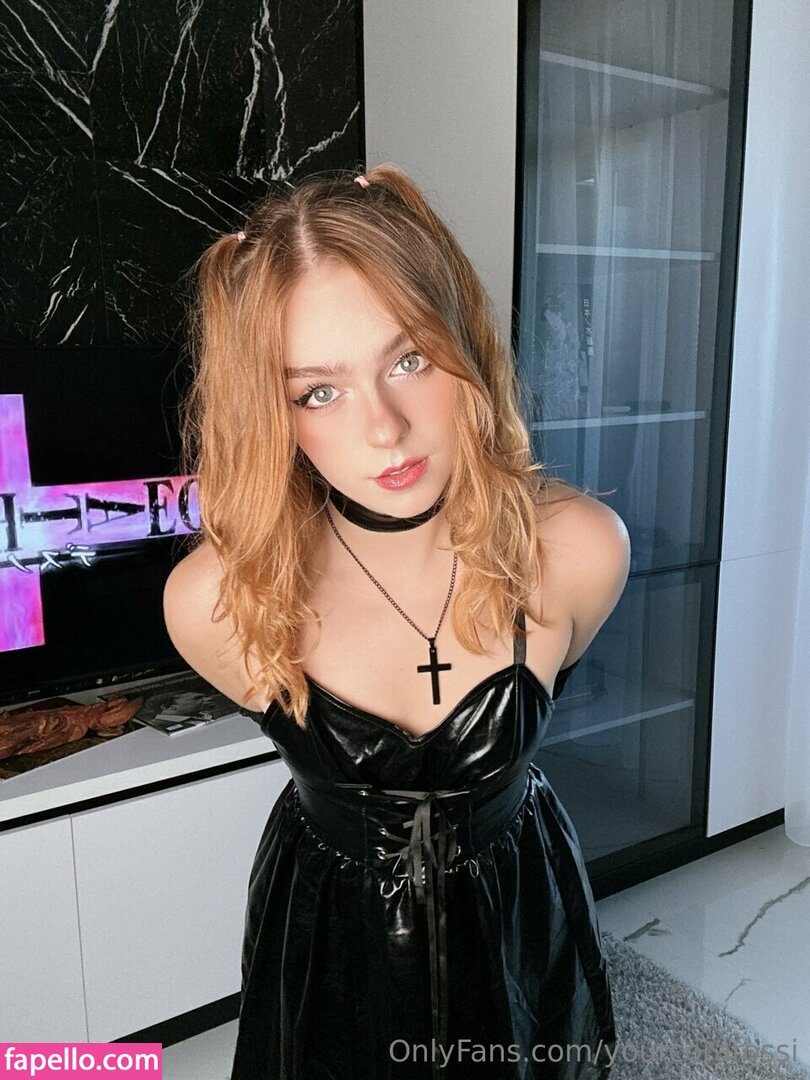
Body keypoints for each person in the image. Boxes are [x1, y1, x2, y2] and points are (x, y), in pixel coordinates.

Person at [163, 164, 630, 1080]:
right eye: (318, 391)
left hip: (517, 911)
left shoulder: (578, 551)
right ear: (271, 411)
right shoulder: (216, 599)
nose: (385, 428)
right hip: (331, 942)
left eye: (409, 359)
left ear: (464, 343)